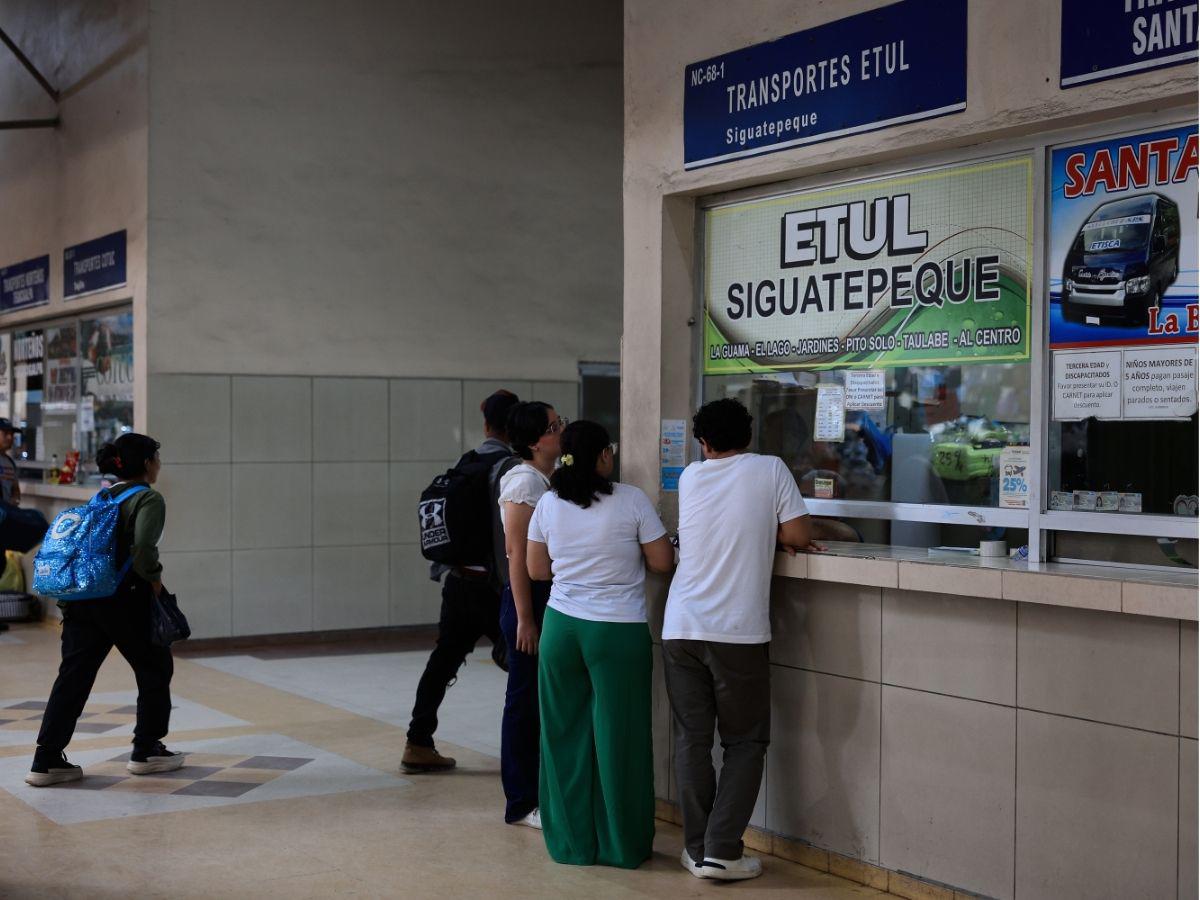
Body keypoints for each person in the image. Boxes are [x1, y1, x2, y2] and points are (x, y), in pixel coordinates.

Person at [663, 398, 823, 881]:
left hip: (680, 627)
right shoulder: (771, 469)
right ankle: (723, 851)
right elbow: (797, 534)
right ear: (749, 436)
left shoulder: (691, 476)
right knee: (745, 741)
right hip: (737, 633)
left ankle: (696, 849)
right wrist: (771, 534)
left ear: (703, 443)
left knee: (693, 740)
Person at [526, 421, 673, 868]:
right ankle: (621, 846)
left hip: (561, 629)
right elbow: (662, 562)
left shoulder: (548, 503)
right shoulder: (631, 500)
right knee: (619, 736)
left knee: (563, 735)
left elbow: (537, 570)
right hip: (616, 631)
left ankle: (571, 845)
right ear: (604, 457)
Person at [26, 433, 182, 786]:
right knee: (155, 666)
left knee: (73, 677)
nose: (159, 465)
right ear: (146, 464)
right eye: (156, 458)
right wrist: (155, 581)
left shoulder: (102, 496)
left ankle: (46, 758)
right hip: (125, 599)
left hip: (82, 600)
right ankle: (146, 749)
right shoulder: (148, 498)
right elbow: (143, 547)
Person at [402, 389, 521, 774]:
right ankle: (529, 752)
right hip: (493, 587)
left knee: (442, 661)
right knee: (525, 665)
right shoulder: (510, 469)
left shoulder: (464, 462)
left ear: (486, 424)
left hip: (458, 584)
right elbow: (506, 536)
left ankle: (417, 742)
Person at [497, 400, 563, 828]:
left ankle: (540, 791)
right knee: (523, 704)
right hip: (528, 601)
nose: (562, 430)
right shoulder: (523, 484)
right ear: (537, 440)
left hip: (543, 598)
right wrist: (525, 618)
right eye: (556, 426)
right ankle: (520, 802)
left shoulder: (546, 479)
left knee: (539, 702)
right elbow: (516, 556)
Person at [0, 418, 22, 506]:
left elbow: (15, 489)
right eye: (5, 434)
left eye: (12, 434)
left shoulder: (10, 462)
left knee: (36, 515)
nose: (10, 437)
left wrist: (15, 500)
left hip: (8, 511)